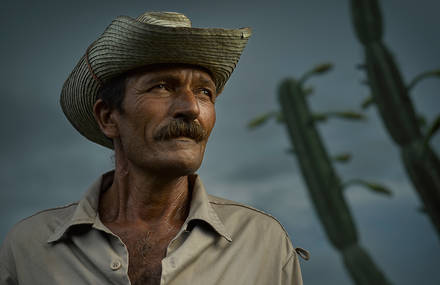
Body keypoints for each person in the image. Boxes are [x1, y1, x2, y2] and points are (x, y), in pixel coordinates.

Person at [0, 11, 308, 285]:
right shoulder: (29, 247)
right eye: (161, 86)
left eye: (204, 92)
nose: (191, 108)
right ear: (108, 117)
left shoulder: (263, 242)